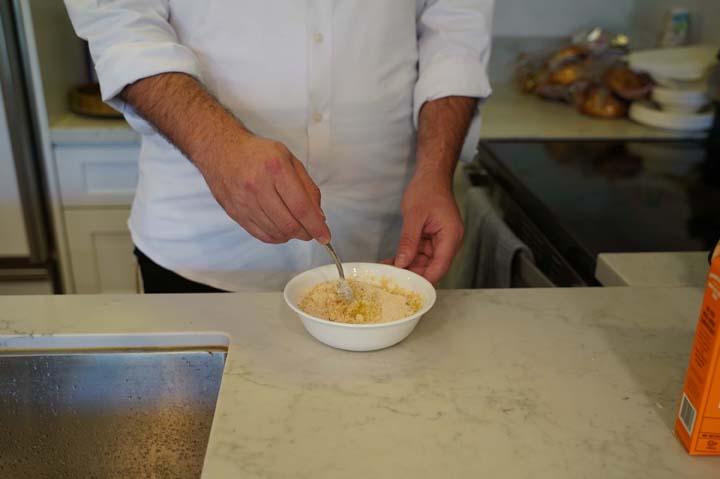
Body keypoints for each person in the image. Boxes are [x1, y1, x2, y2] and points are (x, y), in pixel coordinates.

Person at [64, 1, 493, 293]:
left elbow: (454, 26)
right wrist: (217, 145)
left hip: (388, 246)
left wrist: (435, 171)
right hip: (202, 253)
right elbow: (120, 20)